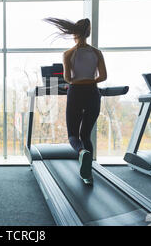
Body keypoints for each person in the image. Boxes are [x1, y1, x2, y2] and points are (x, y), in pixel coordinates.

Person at [44, 17, 107, 185]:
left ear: (74, 33)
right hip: (93, 92)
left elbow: (68, 78)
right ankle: (88, 175)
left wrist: (78, 83)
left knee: (73, 135)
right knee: (86, 135)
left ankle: (81, 153)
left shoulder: (68, 54)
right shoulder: (97, 53)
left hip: (76, 93)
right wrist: (89, 81)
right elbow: (103, 76)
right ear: (88, 33)